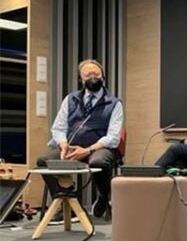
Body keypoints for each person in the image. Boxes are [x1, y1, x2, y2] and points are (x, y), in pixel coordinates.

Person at [37, 59, 124, 219]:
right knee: (43, 160)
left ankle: (103, 197)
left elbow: (113, 137)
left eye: (96, 74)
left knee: (99, 162)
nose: (93, 78)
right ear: (81, 79)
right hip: (71, 147)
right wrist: (63, 144)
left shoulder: (114, 103)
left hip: (98, 148)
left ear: (103, 77)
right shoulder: (70, 99)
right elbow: (58, 128)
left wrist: (88, 150)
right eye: (88, 75)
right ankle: (66, 201)